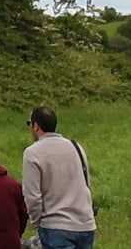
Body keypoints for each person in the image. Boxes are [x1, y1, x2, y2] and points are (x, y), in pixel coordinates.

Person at [21, 106, 96, 249]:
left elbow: (32, 195)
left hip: (56, 226)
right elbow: (86, 182)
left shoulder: (32, 153)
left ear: (36, 126)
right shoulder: (76, 146)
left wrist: (37, 223)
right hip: (85, 224)